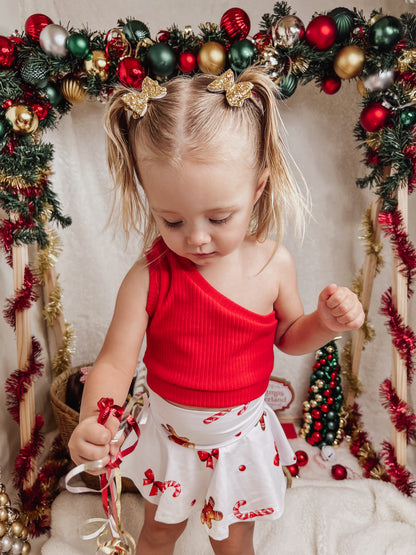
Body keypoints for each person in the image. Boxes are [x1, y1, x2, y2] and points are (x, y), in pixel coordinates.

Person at [68, 67, 364, 555]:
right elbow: (117, 363)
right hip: (172, 437)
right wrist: (92, 421)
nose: (197, 237)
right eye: (172, 219)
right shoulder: (149, 275)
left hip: (238, 440)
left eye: (220, 217)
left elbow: (289, 336)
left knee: (232, 538)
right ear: (149, 197)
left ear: (259, 187)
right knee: (159, 532)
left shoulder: (272, 264)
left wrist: (324, 324)